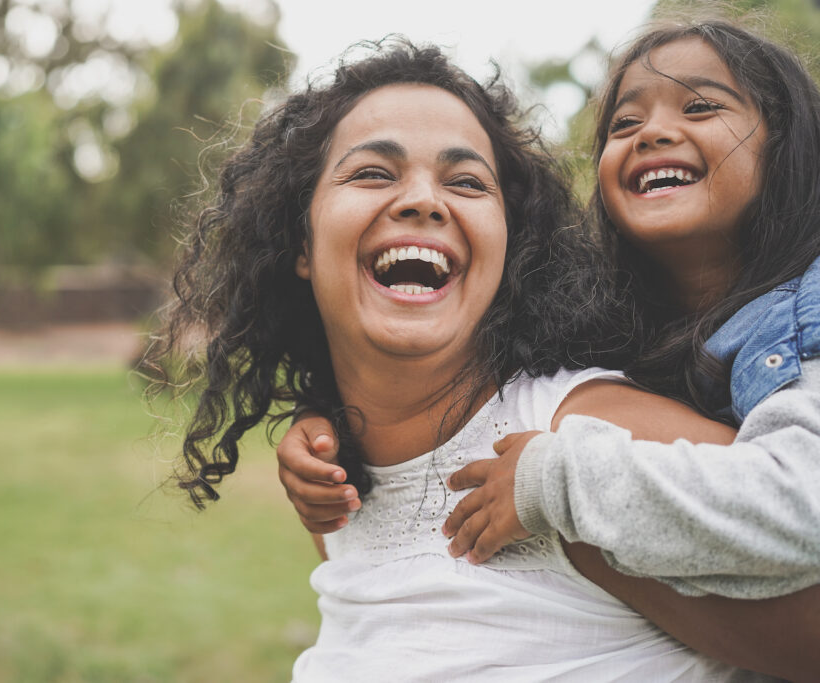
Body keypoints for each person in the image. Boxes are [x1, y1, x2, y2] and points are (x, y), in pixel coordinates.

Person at [145, 39, 818, 680]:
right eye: (374, 172)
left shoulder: (584, 443)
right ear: (301, 240)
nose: (420, 199)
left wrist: (564, 498)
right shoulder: (339, 480)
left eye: (466, 181)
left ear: (509, 248)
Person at [279, 23, 820, 601]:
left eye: (702, 106)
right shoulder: (625, 328)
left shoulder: (805, 321)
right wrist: (327, 421)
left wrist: (555, 484)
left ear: (788, 147)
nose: (653, 132)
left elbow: (804, 505)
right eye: (624, 123)